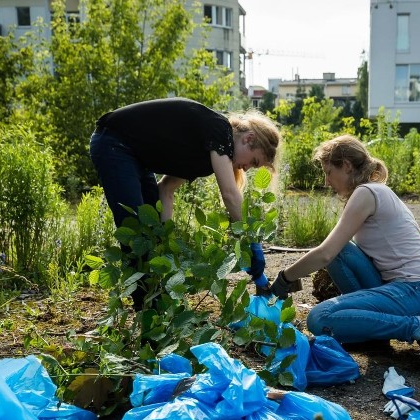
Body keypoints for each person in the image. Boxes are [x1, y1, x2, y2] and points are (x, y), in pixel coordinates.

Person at [268, 135, 420, 369]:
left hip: (416, 291)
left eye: (329, 172)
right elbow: (334, 251)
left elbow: (324, 253)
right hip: (401, 287)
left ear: (347, 166)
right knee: (342, 250)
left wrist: (285, 278)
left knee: (319, 318)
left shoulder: (366, 193)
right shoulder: (373, 191)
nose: (326, 181)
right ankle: (373, 334)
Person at [89, 97, 281, 296]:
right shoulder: (220, 131)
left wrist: (163, 243)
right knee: (135, 234)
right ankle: (148, 308)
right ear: (248, 139)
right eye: (254, 162)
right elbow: (230, 194)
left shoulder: (208, 155)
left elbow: (165, 189)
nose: (246, 168)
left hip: (137, 158)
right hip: (114, 142)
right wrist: (253, 241)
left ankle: (158, 305)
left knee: (150, 239)